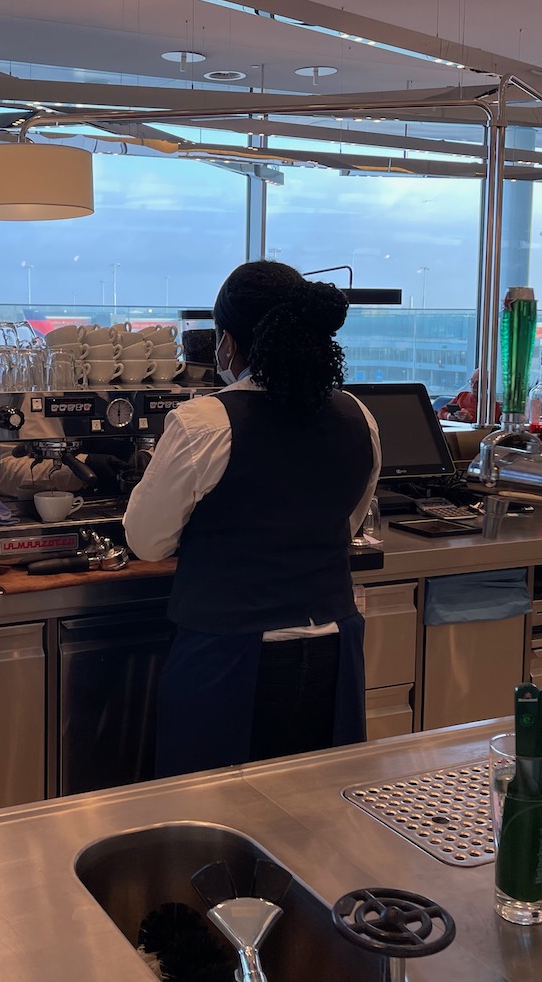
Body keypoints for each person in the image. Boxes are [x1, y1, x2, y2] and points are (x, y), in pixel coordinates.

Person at [123, 260, 381, 777]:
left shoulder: (204, 421)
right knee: (317, 816)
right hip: (333, 648)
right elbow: (346, 524)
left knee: (218, 827)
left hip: (229, 653)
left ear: (229, 343)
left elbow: (147, 541)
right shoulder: (358, 415)